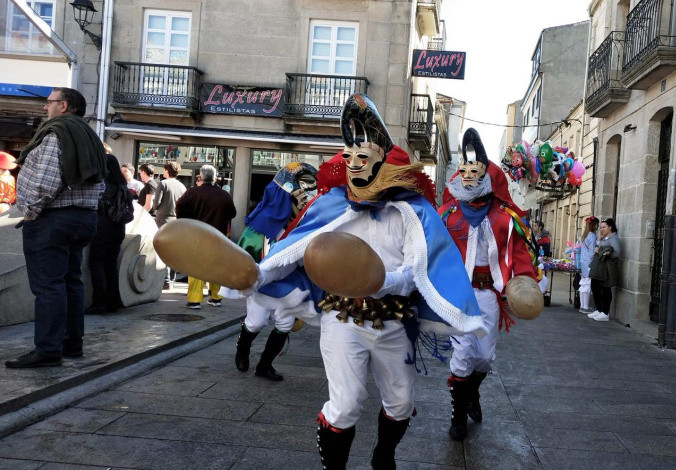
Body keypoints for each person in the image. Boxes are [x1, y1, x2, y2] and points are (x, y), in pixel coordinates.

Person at [228, 94, 484, 470]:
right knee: (344, 405)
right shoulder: (332, 204)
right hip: (342, 318)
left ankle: (384, 455)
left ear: (381, 156)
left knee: (399, 404)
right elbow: (295, 249)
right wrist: (257, 274)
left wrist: (381, 281)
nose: (353, 165)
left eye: (361, 157)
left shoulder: (412, 209)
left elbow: (420, 265)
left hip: (394, 320)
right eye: (347, 158)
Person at [438, 128, 538, 441]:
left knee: (483, 358)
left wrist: (526, 282)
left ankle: (471, 395)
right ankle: (457, 418)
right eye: (463, 172)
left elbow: (519, 253)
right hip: (459, 294)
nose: (468, 177)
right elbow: (432, 249)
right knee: (463, 354)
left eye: (475, 172)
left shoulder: (504, 217)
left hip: (489, 296)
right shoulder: (448, 215)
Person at [5, 87, 107, 368]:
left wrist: (31, 212)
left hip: (53, 219)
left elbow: (46, 181)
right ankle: (71, 344)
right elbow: (100, 184)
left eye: (48, 102)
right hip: (82, 217)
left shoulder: (56, 133)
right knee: (71, 281)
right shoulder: (89, 136)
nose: (44, 108)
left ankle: (48, 350)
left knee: (49, 285)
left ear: (63, 105)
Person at [234, 162, 318, 382]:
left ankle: (265, 365)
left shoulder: (304, 225)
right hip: (263, 283)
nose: (303, 202)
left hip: (290, 283)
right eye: (298, 198)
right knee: (255, 322)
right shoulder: (259, 227)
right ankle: (242, 350)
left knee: (285, 324)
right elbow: (246, 258)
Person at [175, 164, 236, 309]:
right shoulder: (224, 195)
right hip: (218, 236)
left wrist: (186, 220)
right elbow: (232, 213)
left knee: (196, 267)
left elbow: (179, 206)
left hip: (197, 236)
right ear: (215, 178)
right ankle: (216, 297)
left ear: (201, 177)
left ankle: (195, 300)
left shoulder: (192, 192)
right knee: (216, 267)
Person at [87, 154, 129, 315]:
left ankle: (99, 302)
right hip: (118, 227)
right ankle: (113, 301)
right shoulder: (122, 184)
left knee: (96, 263)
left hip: (103, 226)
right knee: (111, 264)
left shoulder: (102, 184)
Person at [152, 161, 186, 289]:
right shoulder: (182, 186)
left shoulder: (163, 183)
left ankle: (165, 279)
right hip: (176, 221)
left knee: (162, 250)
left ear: (167, 171)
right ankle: (171, 279)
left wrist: (156, 208)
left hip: (162, 220)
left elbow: (156, 203)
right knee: (173, 251)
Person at [588, 218, 620, 322]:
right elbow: (596, 248)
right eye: (601, 227)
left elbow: (617, 253)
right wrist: (599, 239)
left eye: (604, 227)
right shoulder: (604, 238)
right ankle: (599, 309)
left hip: (607, 269)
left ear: (610, 227)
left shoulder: (613, 238)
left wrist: (604, 253)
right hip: (600, 268)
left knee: (606, 289)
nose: (601, 229)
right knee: (595, 286)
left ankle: (605, 312)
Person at [578, 216, 599, 314]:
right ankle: (585, 307)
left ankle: (582, 306)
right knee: (587, 283)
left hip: (583, 262)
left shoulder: (584, 236)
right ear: (594, 225)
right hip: (589, 262)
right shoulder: (592, 236)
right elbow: (592, 251)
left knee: (583, 283)